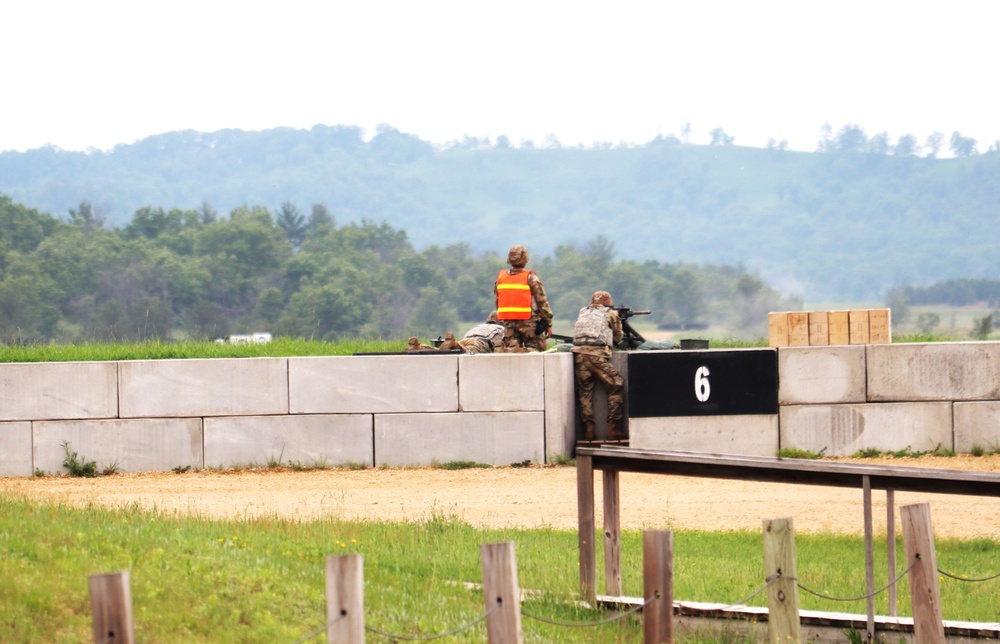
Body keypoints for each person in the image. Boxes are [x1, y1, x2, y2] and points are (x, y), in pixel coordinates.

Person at [572, 290, 624, 441]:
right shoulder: (610, 314)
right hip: (597, 356)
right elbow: (618, 337)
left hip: (579, 356)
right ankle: (613, 430)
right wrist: (618, 319)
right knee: (616, 385)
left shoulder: (583, 312)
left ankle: (589, 431)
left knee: (585, 393)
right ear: (608, 302)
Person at [494, 244, 554, 352]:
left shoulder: (501, 278)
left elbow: (498, 301)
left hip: (508, 325)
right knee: (536, 351)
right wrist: (548, 323)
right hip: (530, 324)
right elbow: (542, 302)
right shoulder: (531, 278)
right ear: (525, 258)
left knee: (511, 354)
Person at [438, 311, 506, 354]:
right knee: (469, 350)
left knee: (461, 344)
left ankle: (455, 344)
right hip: (481, 341)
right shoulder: (500, 329)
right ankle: (457, 346)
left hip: (467, 338)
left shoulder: (480, 326)